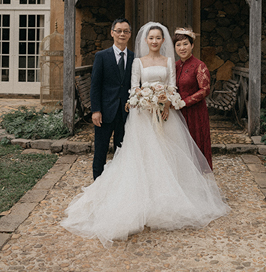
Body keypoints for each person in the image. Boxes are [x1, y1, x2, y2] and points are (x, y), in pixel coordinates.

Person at [62, 22, 229, 247]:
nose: (154, 41)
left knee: (167, 155)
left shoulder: (169, 62)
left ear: (162, 41)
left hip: (164, 114)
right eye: (151, 38)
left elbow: (172, 86)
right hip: (142, 116)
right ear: (145, 40)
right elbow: (134, 87)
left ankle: (167, 197)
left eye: (158, 38)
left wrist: (166, 103)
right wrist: (143, 100)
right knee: (140, 156)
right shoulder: (137, 62)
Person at [89, 18, 134, 179]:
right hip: (105, 112)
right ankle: (97, 185)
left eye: (126, 31)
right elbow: (95, 85)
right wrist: (96, 110)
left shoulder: (134, 58)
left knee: (121, 151)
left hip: (126, 113)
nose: (122, 34)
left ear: (130, 34)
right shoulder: (102, 56)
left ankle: (118, 184)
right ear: (112, 33)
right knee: (100, 151)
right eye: (119, 30)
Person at [173, 27, 213, 170]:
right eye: (178, 45)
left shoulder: (199, 65)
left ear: (192, 45)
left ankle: (198, 177)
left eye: (185, 44)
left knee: (195, 142)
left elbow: (205, 89)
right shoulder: (175, 66)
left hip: (195, 112)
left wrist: (185, 102)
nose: (182, 48)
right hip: (177, 113)